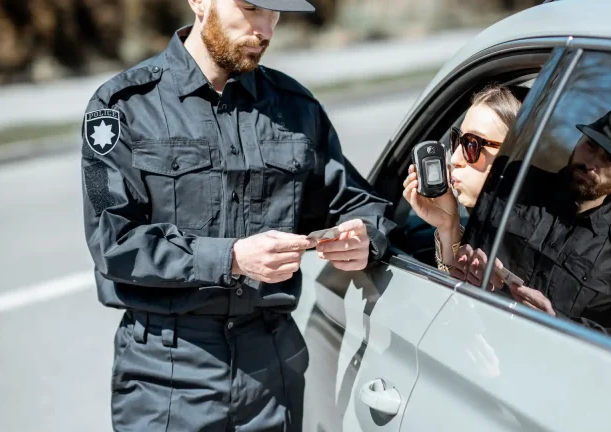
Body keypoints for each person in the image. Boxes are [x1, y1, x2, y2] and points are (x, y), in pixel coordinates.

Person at [79, 0, 395, 430]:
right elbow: (112, 241)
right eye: (250, 8)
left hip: (272, 369)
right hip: (168, 375)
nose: (264, 29)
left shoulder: (296, 108)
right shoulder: (121, 107)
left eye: (276, 14)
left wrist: (364, 236)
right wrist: (231, 257)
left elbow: (358, 203)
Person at [452, 110, 611, 336]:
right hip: (462, 328)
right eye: (590, 145)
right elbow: (456, 244)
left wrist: (554, 321)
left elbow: (603, 342)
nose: (590, 163)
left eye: (609, 158)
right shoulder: (512, 181)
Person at [402, 85, 522, 271]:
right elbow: (458, 296)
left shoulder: (538, 248)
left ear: (518, 155)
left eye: (471, 145)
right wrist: (448, 226)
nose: (455, 158)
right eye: (457, 141)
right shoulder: (492, 231)